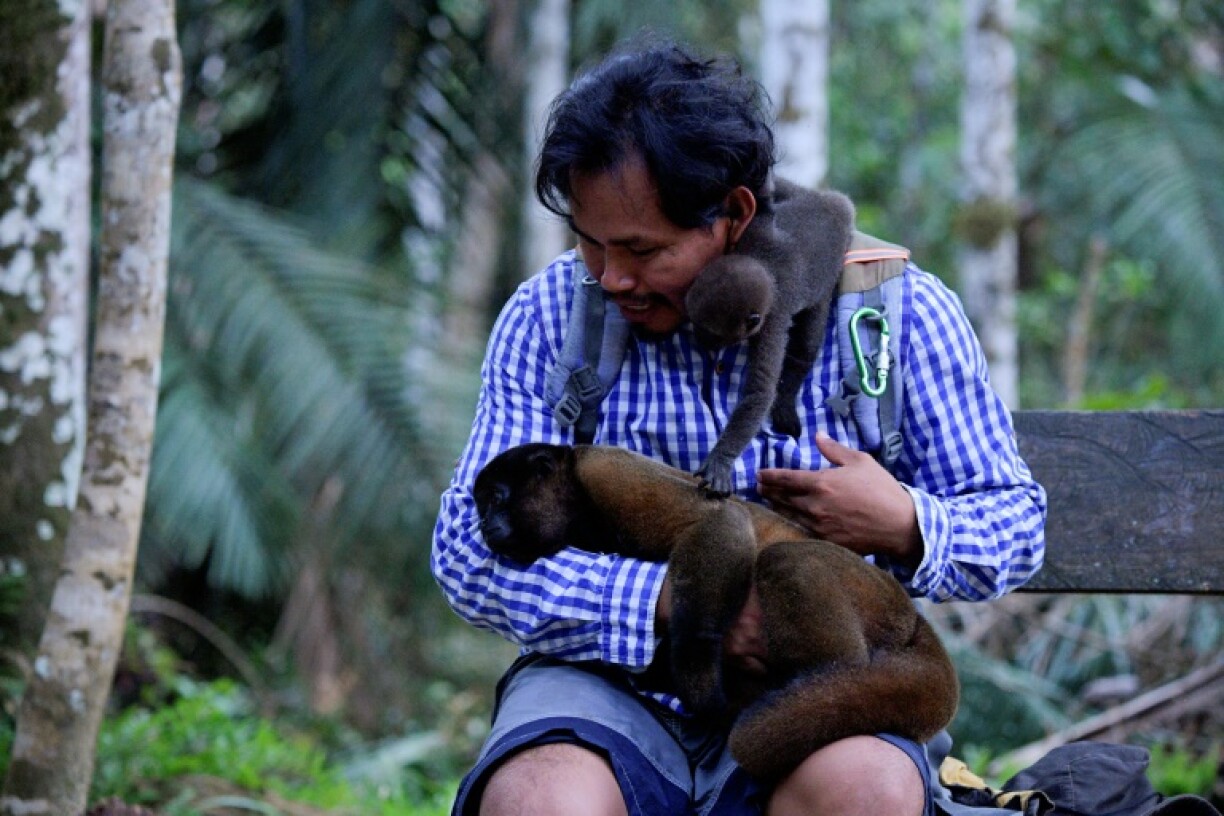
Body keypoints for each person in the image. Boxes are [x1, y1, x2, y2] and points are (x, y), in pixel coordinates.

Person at [432, 39, 1046, 816]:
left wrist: (906, 523)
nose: (610, 276)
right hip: (605, 682)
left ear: (734, 215)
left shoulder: (891, 313)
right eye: (590, 241)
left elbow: (1015, 522)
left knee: (868, 792)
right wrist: (676, 603)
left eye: (642, 250)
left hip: (811, 685)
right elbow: (464, 551)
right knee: (539, 801)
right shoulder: (555, 316)